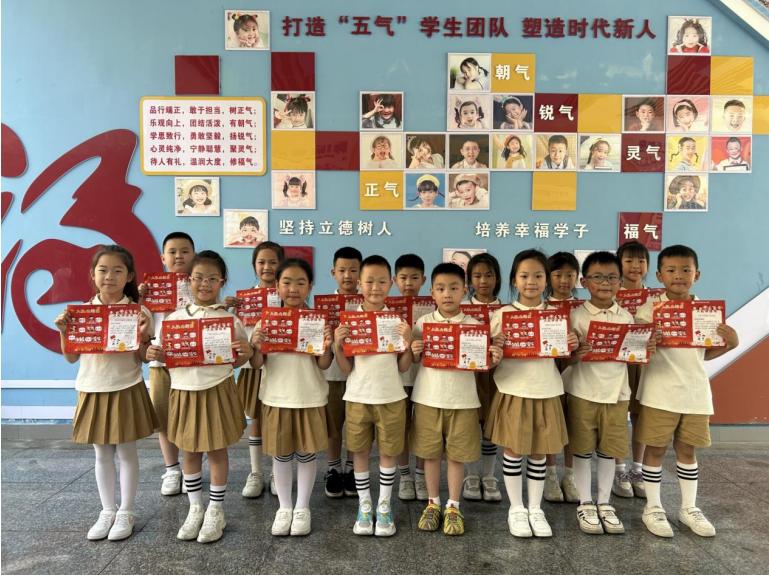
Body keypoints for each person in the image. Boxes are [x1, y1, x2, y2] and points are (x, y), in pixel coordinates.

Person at [147, 251, 252, 543]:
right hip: (184, 391)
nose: (204, 284)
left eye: (212, 279)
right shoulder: (174, 319)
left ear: (222, 282)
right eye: (198, 278)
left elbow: (238, 359)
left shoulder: (230, 319)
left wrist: (246, 354)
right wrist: (155, 353)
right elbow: (165, 356)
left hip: (218, 388)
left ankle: (216, 510)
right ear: (188, 280)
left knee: (217, 450)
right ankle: (195, 509)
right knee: (189, 452)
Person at [55, 245, 157, 542]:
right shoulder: (80, 313)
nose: (109, 276)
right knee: (101, 454)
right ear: (92, 274)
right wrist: (64, 331)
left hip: (125, 387)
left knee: (126, 452)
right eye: (103, 270)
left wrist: (146, 335)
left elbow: (143, 357)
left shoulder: (138, 312)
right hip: (92, 387)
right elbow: (71, 358)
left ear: (129, 276)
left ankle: (126, 511)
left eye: (117, 271)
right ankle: (107, 510)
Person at [635, 245, 738, 538]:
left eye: (685, 270)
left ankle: (689, 507)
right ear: (659, 275)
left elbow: (704, 354)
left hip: (695, 392)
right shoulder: (649, 310)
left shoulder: (707, 312)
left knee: (688, 450)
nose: (678, 275)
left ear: (697, 274)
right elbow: (636, 351)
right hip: (658, 392)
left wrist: (730, 344)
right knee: (655, 449)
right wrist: (646, 343)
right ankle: (653, 507)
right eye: (671, 270)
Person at [486, 249, 578, 538]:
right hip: (513, 389)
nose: (531, 282)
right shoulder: (502, 315)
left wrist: (571, 344)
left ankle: (536, 508)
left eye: (538, 276)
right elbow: (488, 361)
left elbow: (564, 358)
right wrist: (495, 349)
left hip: (546, 389)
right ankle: (516, 508)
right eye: (524, 276)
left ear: (546, 280)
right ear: (514, 280)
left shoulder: (556, 317)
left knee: (539, 452)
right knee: (514, 451)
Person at [565, 251, 656, 535]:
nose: (605, 283)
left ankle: (605, 503)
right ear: (584, 282)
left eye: (612, 277)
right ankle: (585, 502)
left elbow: (632, 357)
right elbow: (565, 358)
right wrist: (575, 352)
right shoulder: (575, 316)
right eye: (598, 277)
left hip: (617, 394)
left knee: (609, 451)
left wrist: (644, 349)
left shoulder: (626, 316)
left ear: (620, 281)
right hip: (582, 392)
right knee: (582, 450)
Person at [411, 263, 503, 535]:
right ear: (432, 292)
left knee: (456, 456)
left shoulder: (475, 327)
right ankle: (433, 503)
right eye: (441, 288)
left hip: (463, 401)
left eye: (454, 288)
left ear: (465, 290)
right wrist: (414, 350)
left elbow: (481, 365)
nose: (447, 294)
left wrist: (493, 359)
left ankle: (453, 505)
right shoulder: (423, 323)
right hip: (428, 398)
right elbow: (412, 360)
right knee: (430, 455)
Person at [251, 258, 334, 536]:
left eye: (300, 282)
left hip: (310, 396)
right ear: (277, 286)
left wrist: (326, 347)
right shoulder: (266, 321)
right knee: (282, 454)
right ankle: (284, 507)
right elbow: (257, 364)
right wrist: (257, 346)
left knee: (307, 454)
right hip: (276, 397)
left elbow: (323, 365)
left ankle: (302, 508)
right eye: (287, 282)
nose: (293, 289)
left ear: (310, 286)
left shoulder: (317, 321)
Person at [333, 255, 413, 537]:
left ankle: (384, 505)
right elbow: (346, 369)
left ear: (391, 283)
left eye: (381, 281)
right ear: (359, 283)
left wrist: (408, 343)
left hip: (391, 396)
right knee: (360, 451)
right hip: (357, 396)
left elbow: (403, 368)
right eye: (369, 281)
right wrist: (338, 346)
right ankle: (364, 505)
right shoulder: (350, 321)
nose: (375, 287)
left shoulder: (397, 321)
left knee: (389, 452)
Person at [224, 241, 285, 499]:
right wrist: (229, 309)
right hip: (252, 367)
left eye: (273, 262)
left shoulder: (289, 295)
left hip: (280, 367)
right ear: (254, 266)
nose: (267, 267)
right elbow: (235, 333)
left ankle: (276, 473)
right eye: (262, 262)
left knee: (277, 420)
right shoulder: (244, 299)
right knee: (256, 420)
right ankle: (256, 472)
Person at [140, 232, 195, 497]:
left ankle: (191, 469)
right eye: (172, 252)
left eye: (184, 251)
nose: (179, 256)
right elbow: (141, 328)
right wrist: (139, 299)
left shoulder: (201, 285)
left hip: (192, 364)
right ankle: (172, 469)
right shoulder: (152, 289)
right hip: (161, 365)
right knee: (164, 419)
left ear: (194, 255)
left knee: (192, 418)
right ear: (163, 258)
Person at [462, 253, 503, 503]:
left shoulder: (507, 311)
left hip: (498, 376)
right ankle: (471, 475)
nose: (483, 281)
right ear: (469, 280)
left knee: (490, 427)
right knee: (469, 426)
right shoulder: (461, 310)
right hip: (470, 376)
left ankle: (488, 476)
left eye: (489, 275)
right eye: (477, 276)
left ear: (497, 278)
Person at [322, 247, 363, 498]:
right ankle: (333, 469)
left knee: (356, 428)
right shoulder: (324, 306)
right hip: (332, 376)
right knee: (333, 426)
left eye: (353, 270)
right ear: (333, 272)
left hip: (360, 376)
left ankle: (351, 469)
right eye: (342, 270)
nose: (347, 275)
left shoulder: (369, 304)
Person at [613, 240, 652, 499]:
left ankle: (637, 471)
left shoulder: (656, 298)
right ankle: (619, 471)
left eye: (641, 261)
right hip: (616, 365)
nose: (635, 266)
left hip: (645, 365)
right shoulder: (609, 295)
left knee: (641, 416)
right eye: (628, 260)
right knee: (617, 417)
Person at [543, 252, 581, 504]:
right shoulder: (541, 308)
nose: (564, 280)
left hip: (577, 375)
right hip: (549, 373)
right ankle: (550, 475)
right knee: (550, 426)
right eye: (558, 275)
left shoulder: (583, 309)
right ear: (548, 278)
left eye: (570, 275)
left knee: (573, 426)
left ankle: (570, 476)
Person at [392, 254, 429, 501]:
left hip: (425, 377)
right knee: (402, 428)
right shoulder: (386, 309)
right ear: (394, 280)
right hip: (398, 378)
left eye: (414, 278)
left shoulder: (433, 307)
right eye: (403, 277)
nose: (408, 283)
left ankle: (421, 474)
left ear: (423, 280)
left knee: (424, 428)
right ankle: (405, 475)